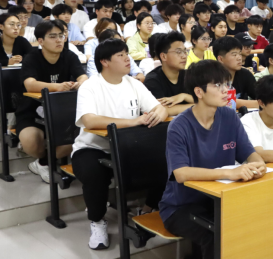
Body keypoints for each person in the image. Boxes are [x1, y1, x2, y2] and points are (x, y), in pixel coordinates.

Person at [159, 60, 265, 257]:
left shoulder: (229, 116)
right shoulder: (179, 126)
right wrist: (229, 173)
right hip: (181, 206)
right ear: (199, 92)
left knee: (254, 221)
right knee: (215, 234)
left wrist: (258, 164)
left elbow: (249, 153)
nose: (226, 90)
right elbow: (181, 173)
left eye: (226, 84)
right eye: (218, 85)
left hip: (219, 198)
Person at [72, 38, 167, 250]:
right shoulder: (90, 86)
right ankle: (97, 221)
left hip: (129, 147)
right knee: (94, 173)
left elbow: (159, 108)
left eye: (127, 53)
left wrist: (157, 115)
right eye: (121, 55)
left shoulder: (134, 83)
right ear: (104, 61)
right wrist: (132, 122)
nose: (127, 59)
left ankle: (147, 210)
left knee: (166, 159)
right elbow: (89, 120)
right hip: (93, 148)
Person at [16, 20, 87, 183]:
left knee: (77, 137)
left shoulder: (69, 56)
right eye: (53, 36)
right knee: (31, 142)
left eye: (61, 36)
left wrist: (80, 83)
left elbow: (83, 76)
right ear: (40, 41)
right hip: (32, 111)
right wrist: (57, 87)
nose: (59, 40)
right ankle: (44, 160)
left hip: (62, 112)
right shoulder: (31, 58)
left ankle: (43, 163)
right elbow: (30, 84)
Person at [144, 32, 194, 115]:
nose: (184, 56)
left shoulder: (189, 75)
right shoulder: (152, 80)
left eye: (185, 51)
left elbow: (204, 99)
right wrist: (196, 107)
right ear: (163, 56)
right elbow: (161, 110)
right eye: (178, 52)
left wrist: (184, 96)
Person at [213, 36, 258, 109]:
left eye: (240, 54)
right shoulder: (211, 76)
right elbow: (220, 102)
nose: (239, 58)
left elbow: (261, 99)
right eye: (234, 55)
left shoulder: (245, 74)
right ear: (220, 59)